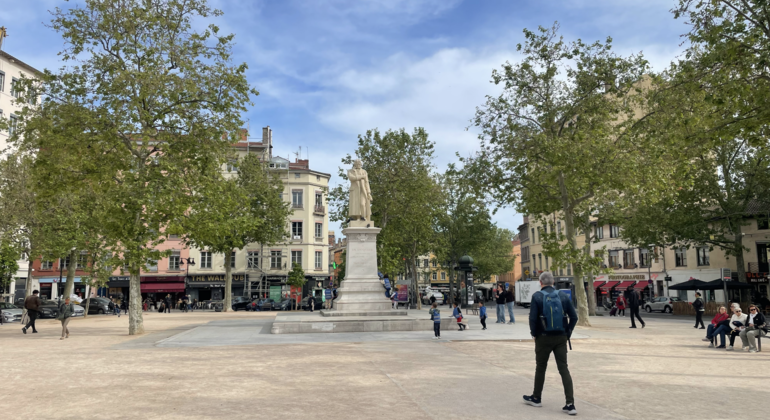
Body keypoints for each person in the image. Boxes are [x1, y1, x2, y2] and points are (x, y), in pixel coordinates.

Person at [523, 272, 579, 416]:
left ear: (540, 282)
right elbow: (574, 317)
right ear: (553, 282)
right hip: (561, 337)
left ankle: (536, 398)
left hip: (543, 337)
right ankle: (570, 404)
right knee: (563, 369)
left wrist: (534, 334)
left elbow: (533, 319)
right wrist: (568, 333)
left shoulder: (537, 296)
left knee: (541, 367)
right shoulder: (562, 296)